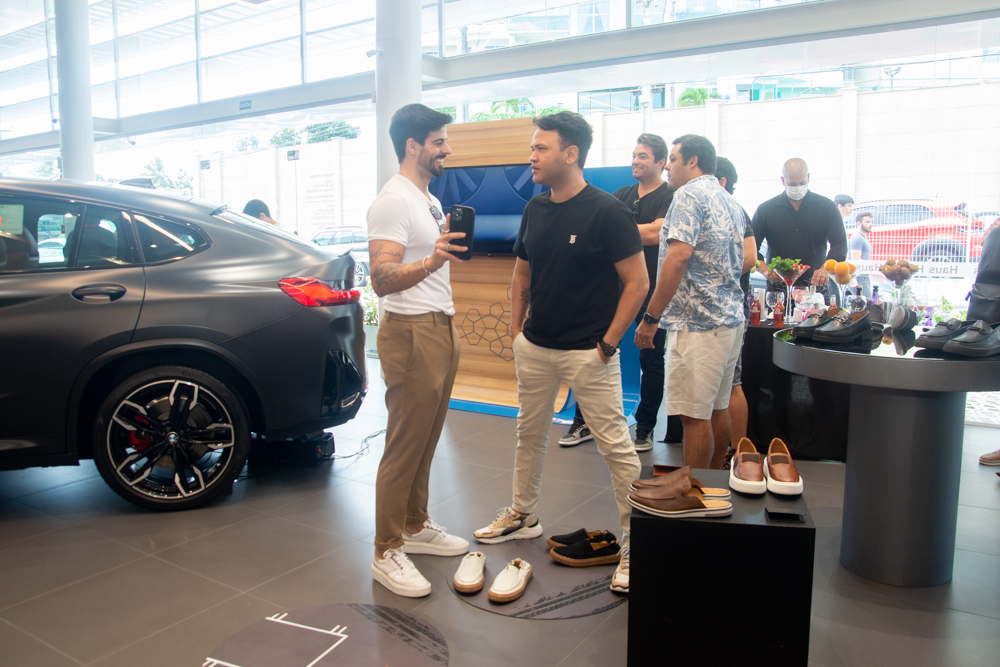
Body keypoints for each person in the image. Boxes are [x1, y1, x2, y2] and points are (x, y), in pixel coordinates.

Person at [473, 111, 647, 596]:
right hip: (535, 347)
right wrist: (516, 332)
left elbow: (638, 282)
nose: (531, 156)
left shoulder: (608, 212)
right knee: (528, 435)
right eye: (532, 147)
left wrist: (608, 343)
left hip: (589, 353)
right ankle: (522, 515)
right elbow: (522, 274)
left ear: (571, 153)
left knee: (617, 449)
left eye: (540, 148)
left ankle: (637, 543)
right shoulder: (535, 208)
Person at [365, 103, 471, 598]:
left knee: (427, 437)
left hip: (440, 324)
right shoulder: (392, 201)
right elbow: (381, 278)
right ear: (413, 146)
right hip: (410, 331)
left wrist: (438, 252)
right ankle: (386, 550)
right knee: (405, 442)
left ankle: (414, 523)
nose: (447, 148)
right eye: (438, 141)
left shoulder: (426, 197)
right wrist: (431, 261)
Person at [634, 134, 745, 471]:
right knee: (717, 409)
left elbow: (679, 256)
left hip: (697, 323)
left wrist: (651, 317)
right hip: (729, 321)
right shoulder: (729, 200)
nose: (667, 166)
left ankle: (693, 489)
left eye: (673, 159)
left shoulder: (687, 195)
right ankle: (712, 486)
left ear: (692, 161)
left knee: (694, 417)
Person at [558, 133, 673, 452]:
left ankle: (645, 428)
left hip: (650, 289)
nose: (635, 161)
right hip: (612, 287)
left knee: (651, 359)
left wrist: (614, 232)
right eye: (634, 155)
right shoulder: (622, 194)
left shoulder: (670, 195)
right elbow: (598, 228)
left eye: (643, 156)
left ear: (661, 163)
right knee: (593, 352)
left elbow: (656, 234)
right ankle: (583, 421)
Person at [751, 158, 847, 304]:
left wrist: (825, 269)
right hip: (778, 288)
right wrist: (763, 268)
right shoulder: (766, 210)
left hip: (815, 286)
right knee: (776, 319)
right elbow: (750, 247)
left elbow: (840, 244)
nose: (797, 187)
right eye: (792, 184)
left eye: (802, 183)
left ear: (808, 177)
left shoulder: (826, 207)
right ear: (783, 180)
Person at [714, 157, 757, 466]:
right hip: (709, 312)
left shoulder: (735, 210)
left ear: (721, 181)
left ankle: (740, 452)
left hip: (729, 308)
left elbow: (750, 257)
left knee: (732, 383)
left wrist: (714, 278)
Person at [849, 211, 874, 298]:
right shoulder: (857, 238)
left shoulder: (863, 238)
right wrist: (873, 269)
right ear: (859, 223)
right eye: (867, 222)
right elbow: (855, 259)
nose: (870, 224)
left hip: (863, 277)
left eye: (871, 222)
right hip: (859, 278)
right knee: (866, 302)